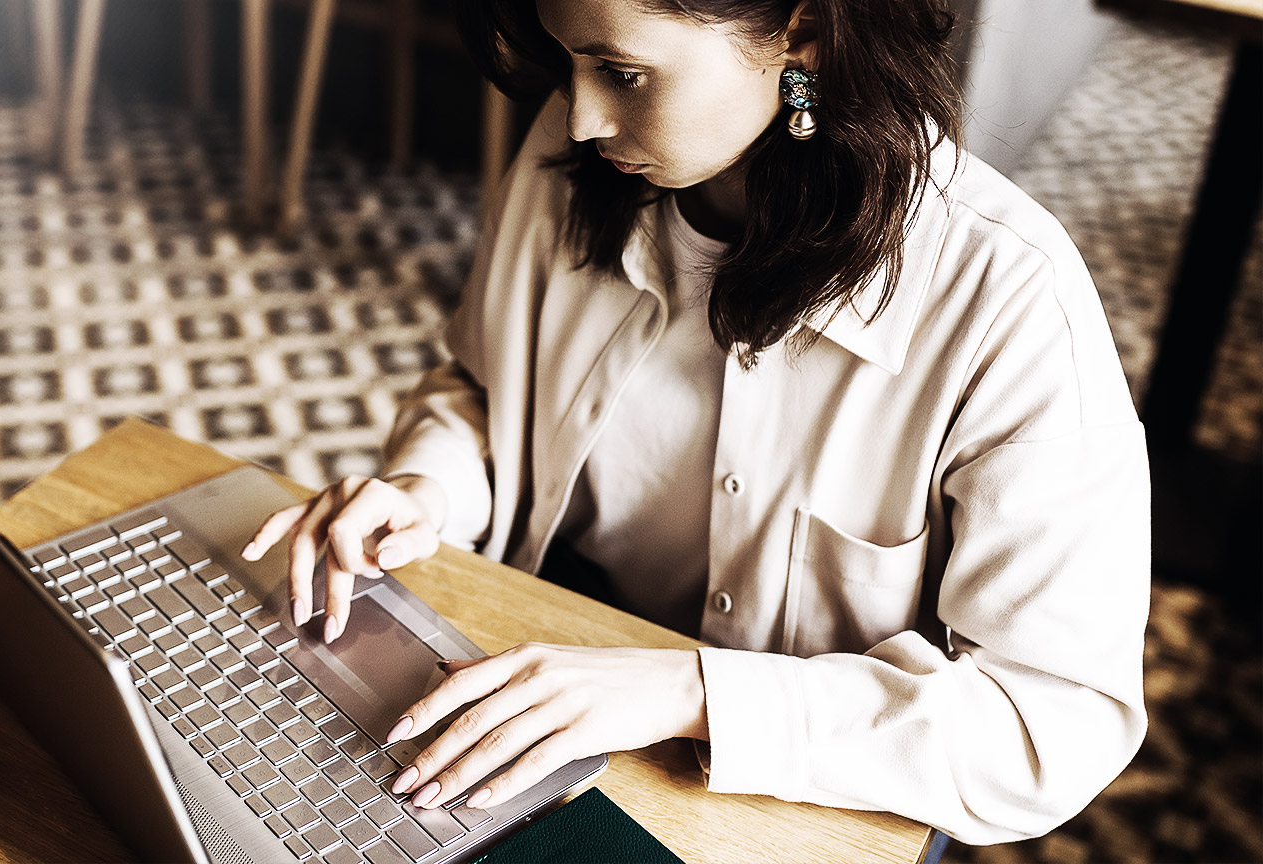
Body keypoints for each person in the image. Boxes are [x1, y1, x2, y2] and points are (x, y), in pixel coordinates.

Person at [244, 0, 1150, 845]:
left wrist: (694, 692)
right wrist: (427, 487)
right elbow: (483, 387)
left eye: (624, 73)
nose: (585, 117)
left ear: (805, 35)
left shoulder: (1007, 296)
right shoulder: (573, 157)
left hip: (794, 783)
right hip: (541, 656)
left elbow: (1050, 726)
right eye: (568, 62)